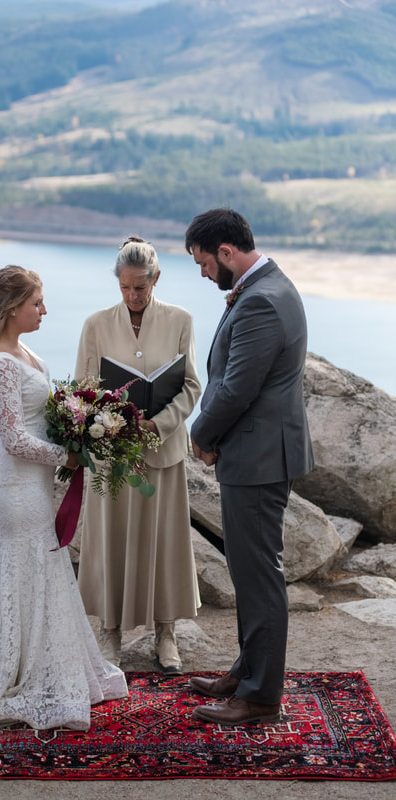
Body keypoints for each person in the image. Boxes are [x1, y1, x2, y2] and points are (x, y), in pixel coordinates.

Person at [0, 265, 127, 733]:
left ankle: (38, 666)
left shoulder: (21, 351)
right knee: (27, 569)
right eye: (37, 302)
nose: (44, 310)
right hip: (14, 487)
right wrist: (68, 454)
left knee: (42, 569)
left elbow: (40, 417)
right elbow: (15, 439)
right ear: (13, 307)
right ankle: (18, 674)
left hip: (32, 483)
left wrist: (81, 427)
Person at [185, 209, 314, 725]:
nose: (202, 274)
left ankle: (259, 697)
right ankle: (246, 670)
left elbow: (238, 386)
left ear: (226, 252)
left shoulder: (261, 299)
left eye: (202, 262)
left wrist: (201, 433)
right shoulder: (264, 286)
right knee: (249, 570)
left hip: (258, 459)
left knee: (259, 576)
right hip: (256, 454)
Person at [74, 237, 202, 675]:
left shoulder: (180, 320)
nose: (133, 296)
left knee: (165, 543)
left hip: (163, 451)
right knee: (110, 540)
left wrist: (158, 424)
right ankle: (110, 632)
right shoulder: (95, 324)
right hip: (113, 454)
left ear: (156, 280)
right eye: (126, 288)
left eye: (140, 288)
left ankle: (166, 632)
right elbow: (82, 390)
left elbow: (190, 386)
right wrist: (109, 423)